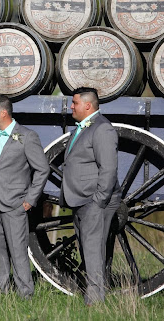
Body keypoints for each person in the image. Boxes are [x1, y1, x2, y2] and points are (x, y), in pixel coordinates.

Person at [0, 95, 50, 299]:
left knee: (18, 252)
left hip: (15, 204)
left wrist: (30, 200)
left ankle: (25, 294)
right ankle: (1, 291)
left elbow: (42, 169)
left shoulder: (27, 136)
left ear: (3, 113)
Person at [60, 87, 121, 305]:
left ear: (87, 105)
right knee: (87, 249)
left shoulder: (102, 128)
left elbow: (109, 168)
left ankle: (95, 301)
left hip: (93, 200)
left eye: (74, 103)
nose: (71, 107)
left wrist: (98, 200)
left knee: (93, 249)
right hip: (80, 199)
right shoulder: (84, 127)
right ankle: (94, 293)